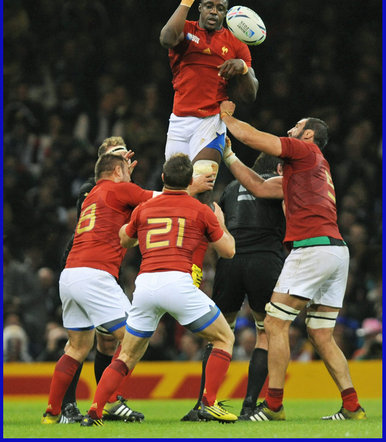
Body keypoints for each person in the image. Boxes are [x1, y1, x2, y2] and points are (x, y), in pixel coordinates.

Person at [219, 100, 367, 422]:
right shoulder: (310, 170)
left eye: (296, 127)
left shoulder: (305, 152)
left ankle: (273, 406)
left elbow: (259, 139)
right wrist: (228, 155)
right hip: (335, 251)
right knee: (321, 334)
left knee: (273, 323)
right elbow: (258, 185)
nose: (290, 131)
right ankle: (352, 406)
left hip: (311, 249)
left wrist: (225, 117)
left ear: (309, 134)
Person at [58, 137, 213, 424]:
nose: (128, 160)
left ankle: (64, 410)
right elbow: (160, 202)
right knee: (123, 338)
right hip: (92, 269)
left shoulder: (104, 189)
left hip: (91, 270)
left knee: (98, 344)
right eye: (120, 157)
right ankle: (94, 403)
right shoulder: (97, 189)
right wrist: (189, 185)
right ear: (108, 164)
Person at [80, 153, 238, 426]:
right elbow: (229, 251)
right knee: (224, 339)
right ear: (190, 181)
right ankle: (209, 403)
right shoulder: (200, 210)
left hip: (145, 286)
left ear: (163, 178)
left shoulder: (143, 209)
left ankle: (96, 407)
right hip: (178, 283)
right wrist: (221, 224)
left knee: (127, 353)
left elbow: (124, 239)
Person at [41, 152, 165, 425]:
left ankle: (52, 412)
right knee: (134, 337)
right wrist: (189, 188)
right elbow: (165, 200)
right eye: (127, 173)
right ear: (118, 172)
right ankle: (108, 402)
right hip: (95, 275)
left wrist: (119, 170)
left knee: (76, 347)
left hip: (71, 273)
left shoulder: (92, 195)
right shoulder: (120, 188)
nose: (131, 178)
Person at [182, 153, 286, 422]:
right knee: (265, 332)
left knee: (218, 333)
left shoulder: (230, 188)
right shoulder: (279, 184)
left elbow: (218, 224)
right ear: (276, 168)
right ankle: (250, 406)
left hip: (231, 261)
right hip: (265, 260)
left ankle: (203, 402)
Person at [159, 0, 258, 205]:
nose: (214, 11)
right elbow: (166, 38)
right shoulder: (187, 31)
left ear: (226, 13)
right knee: (175, 191)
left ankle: (206, 241)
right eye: (209, 6)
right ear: (200, 8)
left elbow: (251, 94)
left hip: (211, 121)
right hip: (179, 121)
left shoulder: (237, 45)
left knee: (202, 187)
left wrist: (242, 67)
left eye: (220, 8)